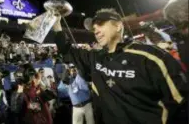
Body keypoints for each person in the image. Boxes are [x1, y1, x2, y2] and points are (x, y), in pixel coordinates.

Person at [52, 8, 189, 124]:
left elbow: (180, 103)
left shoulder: (151, 57)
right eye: (94, 28)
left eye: (101, 24)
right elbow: (66, 49)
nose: (96, 31)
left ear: (118, 26)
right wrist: (57, 23)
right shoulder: (95, 57)